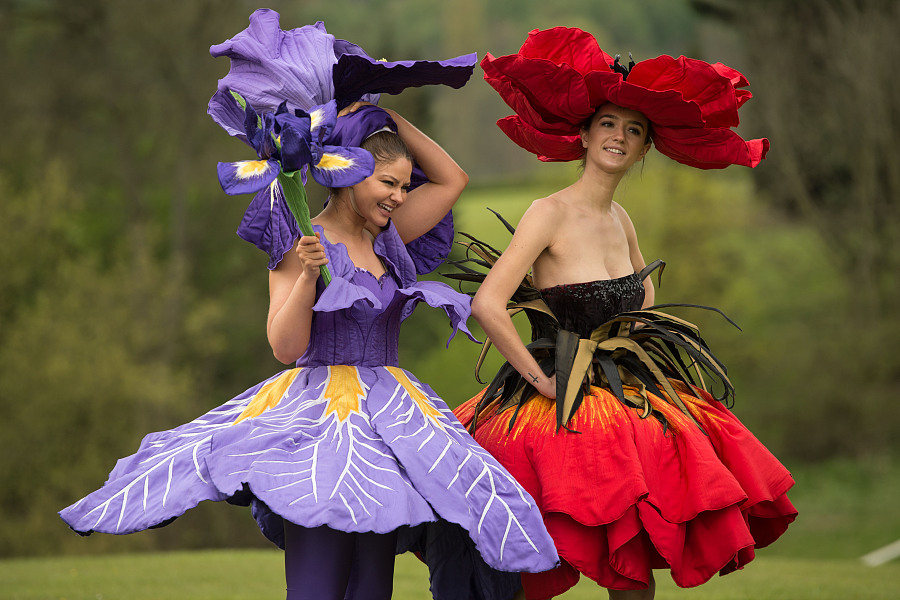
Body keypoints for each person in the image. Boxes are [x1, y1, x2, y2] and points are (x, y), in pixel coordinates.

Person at [60, 11, 558, 600]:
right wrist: (307, 278)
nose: (401, 196)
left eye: (404, 186)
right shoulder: (300, 236)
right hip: (316, 423)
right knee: (319, 585)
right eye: (387, 183)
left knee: (373, 584)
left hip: (390, 418)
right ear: (348, 175)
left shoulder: (388, 238)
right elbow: (285, 345)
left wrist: (380, 114)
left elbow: (451, 180)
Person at [451, 27, 797, 600]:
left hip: (625, 400)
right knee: (523, 567)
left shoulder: (622, 221)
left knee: (632, 566)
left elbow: (645, 306)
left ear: (645, 148)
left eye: (633, 130)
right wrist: (541, 380)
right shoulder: (547, 212)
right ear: (584, 134)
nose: (619, 136)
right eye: (608, 123)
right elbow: (487, 304)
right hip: (552, 406)